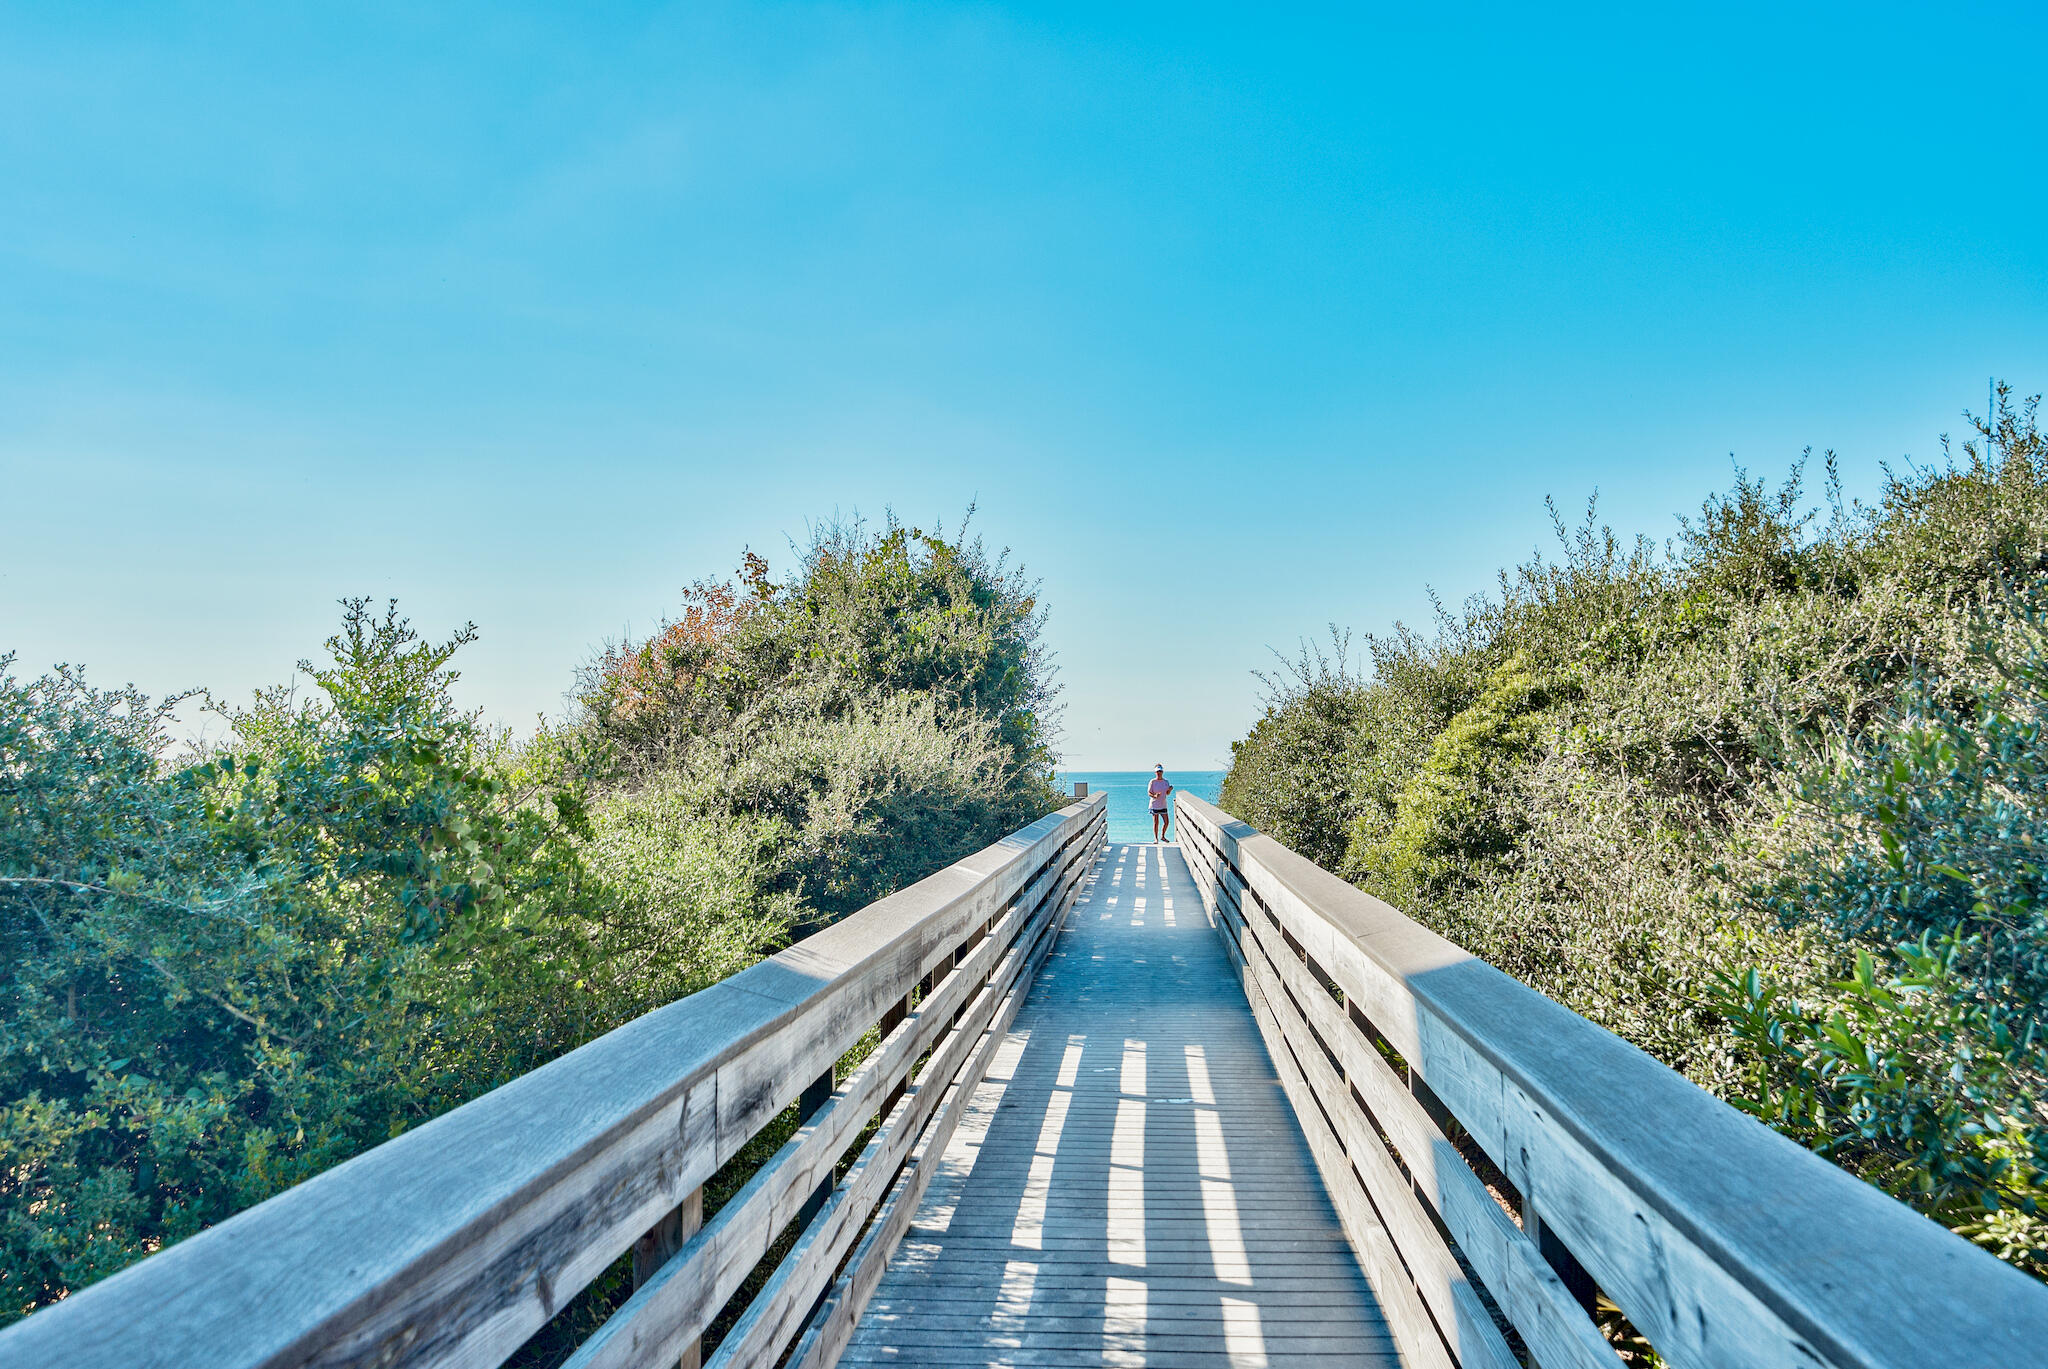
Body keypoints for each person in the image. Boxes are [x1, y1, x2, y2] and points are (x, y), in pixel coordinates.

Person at [1148, 765, 1173, 842]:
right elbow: (1149, 793)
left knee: (1166, 822)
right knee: (1156, 822)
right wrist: (1155, 796)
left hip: (1163, 804)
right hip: (1154, 805)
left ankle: (1162, 836)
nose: (1159, 773)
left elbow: (1167, 793)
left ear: (1162, 772)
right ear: (1155, 772)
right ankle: (1156, 838)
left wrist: (1170, 790)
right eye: (1157, 771)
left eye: (1160, 771)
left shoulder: (1166, 782)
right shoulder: (1152, 782)